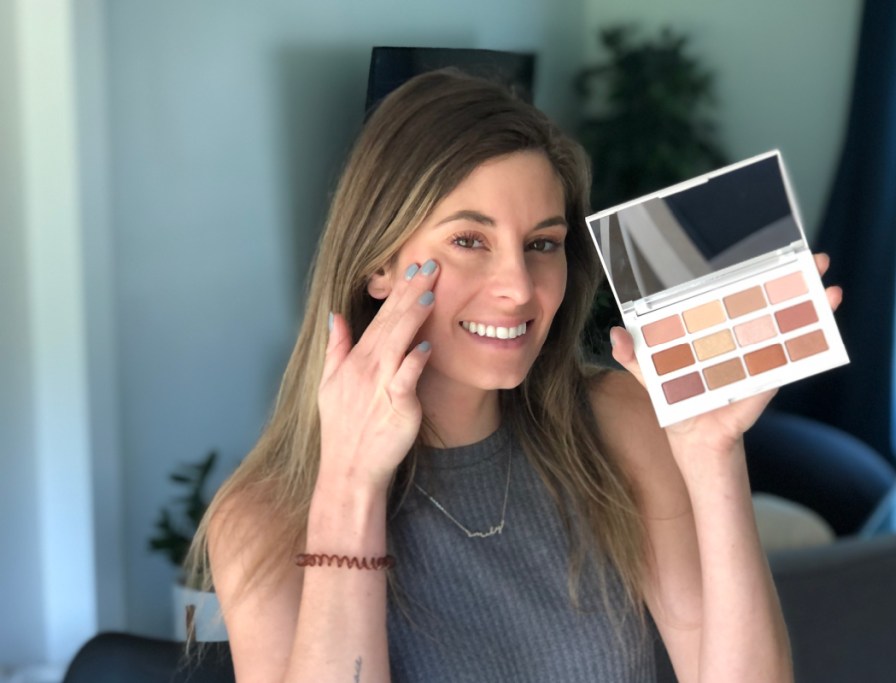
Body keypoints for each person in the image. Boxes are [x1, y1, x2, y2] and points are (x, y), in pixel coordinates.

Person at [189, 68, 839, 682]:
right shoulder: (263, 521)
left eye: (542, 244)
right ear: (379, 265)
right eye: (470, 241)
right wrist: (350, 486)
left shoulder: (616, 419)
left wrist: (713, 457)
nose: (520, 287)